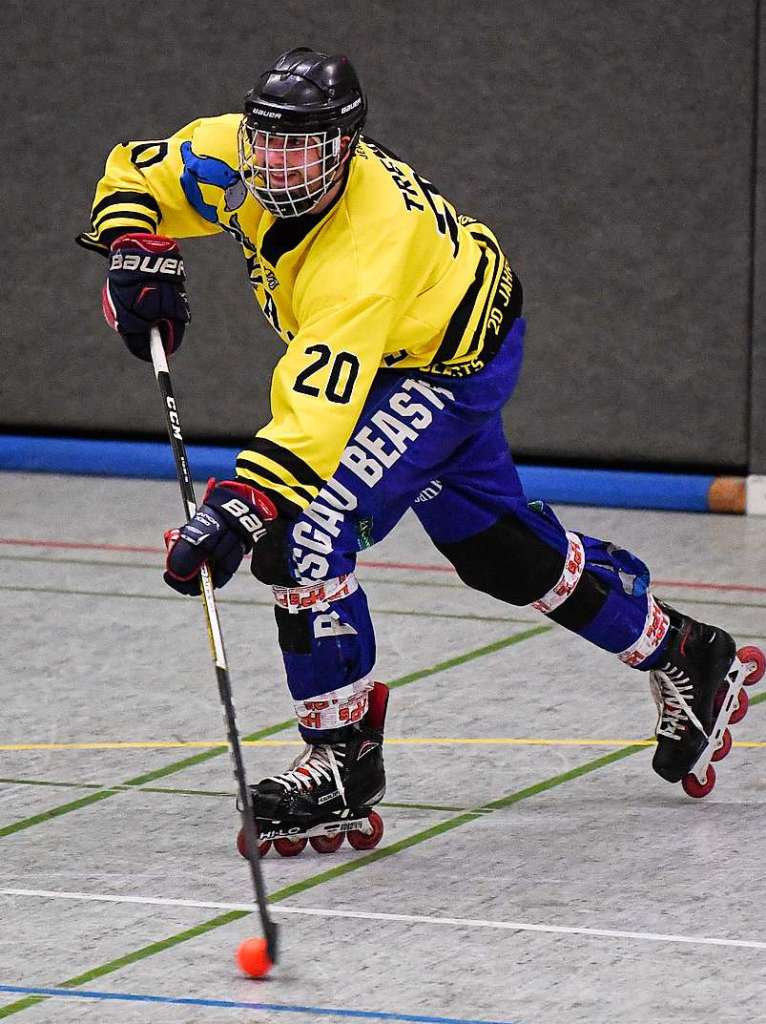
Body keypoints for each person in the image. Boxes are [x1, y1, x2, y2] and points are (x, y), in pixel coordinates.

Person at [78, 47, 762, 853]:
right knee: (501, 552)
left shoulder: (367, 247)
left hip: (439, 365)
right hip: (435, 323)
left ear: (346, 145)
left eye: (302, 148)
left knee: (301, 535)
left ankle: (341, 761)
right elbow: (137, 171)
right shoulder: (239, 157)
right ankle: (687, 653)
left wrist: (242, 508)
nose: (277, 165)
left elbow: (317, 410)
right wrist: (134, 248)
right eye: (267, 142)